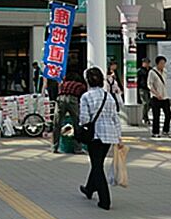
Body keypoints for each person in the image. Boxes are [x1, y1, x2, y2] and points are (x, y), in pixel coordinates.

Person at [78, 67, 123, 211]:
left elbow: (84, 119)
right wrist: (119, 137)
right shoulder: (108, 96)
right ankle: (89, 188)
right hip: (109, 136)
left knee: (97, 167)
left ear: (87, 81)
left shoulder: (86, 96)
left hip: (95, 136)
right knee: (97, 163)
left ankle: (105, 200)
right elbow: (115, 118)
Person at [52, 74, 86, 154]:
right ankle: (77, 148)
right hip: (72, 99)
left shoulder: (63, 83)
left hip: (60, 98)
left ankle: (55, 147)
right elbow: (83, 97)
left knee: (57, 124)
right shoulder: (80, 85)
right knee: (77, 124)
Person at [147, 55, 171, 138]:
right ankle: (155, 132)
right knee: (156, 115)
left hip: (165, 96)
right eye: (161, 63)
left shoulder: (165, 71)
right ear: (157, 63)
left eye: (164, 63)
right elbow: (150, 85)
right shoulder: (152, 72)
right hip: (155, 97)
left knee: (168, 114)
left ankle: (166, 130)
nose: (163, 65)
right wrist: (156, 94)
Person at [137, 58, 151, 124]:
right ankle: (145, 117)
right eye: (145, 62)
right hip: (142, 88)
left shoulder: (151, 70)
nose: (147, 64)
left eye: (148, 63)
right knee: (145, 103)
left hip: (150, 89)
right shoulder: (140, 71)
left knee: (150, 104)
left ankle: (145, 115)